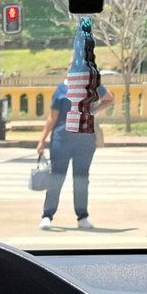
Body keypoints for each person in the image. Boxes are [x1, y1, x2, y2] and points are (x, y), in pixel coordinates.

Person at [34, 73, 114, 231]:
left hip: (85, 141)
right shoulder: (61, 89)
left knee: (81, 179)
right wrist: (42, 140)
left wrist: (94, 111)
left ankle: (82, 216)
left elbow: (109, 99)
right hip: (61, 140)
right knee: (56, 178)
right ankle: (47, 215)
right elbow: (52, 117)